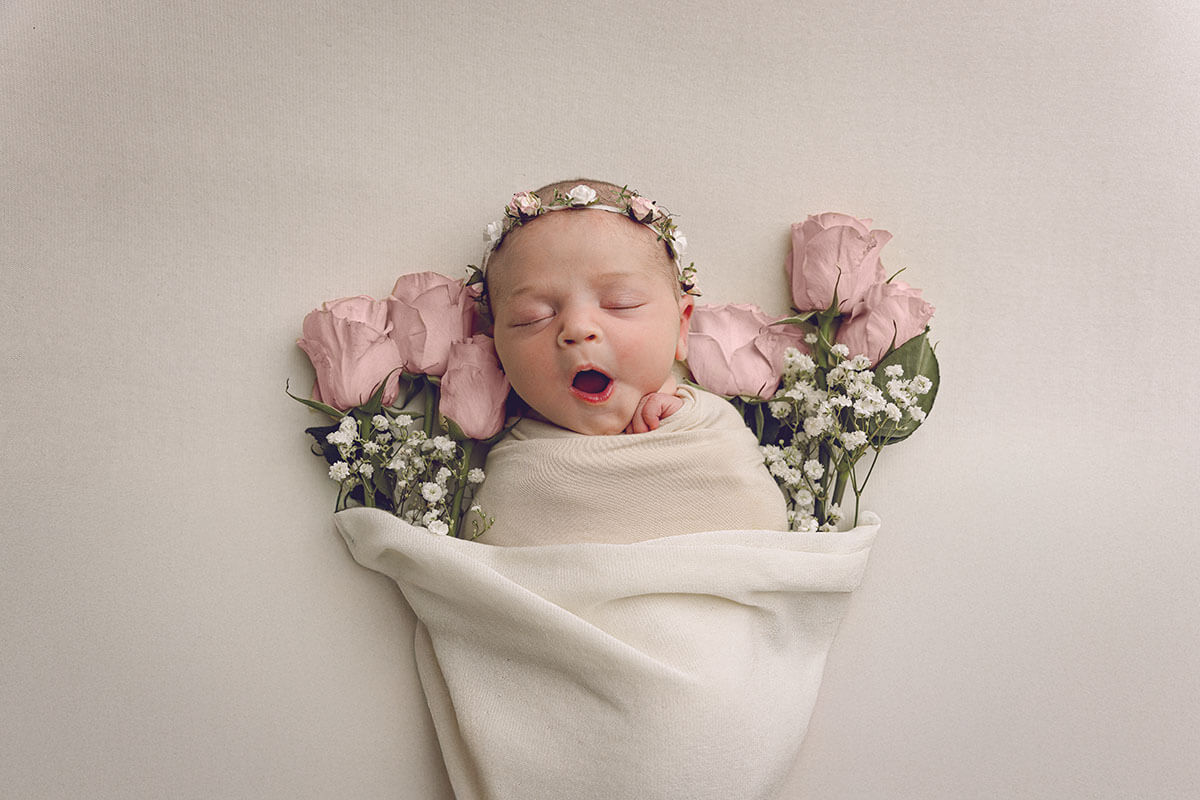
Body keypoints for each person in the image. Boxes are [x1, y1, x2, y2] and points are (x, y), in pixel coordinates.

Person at [470, 179, 788, 544]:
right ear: (496, 344)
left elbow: (762, 530)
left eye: (621, 303)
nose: (577, 328)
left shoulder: (706, 426)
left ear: (682, 327)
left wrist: (682, 416)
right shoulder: (511, 460)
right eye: (533, 316)